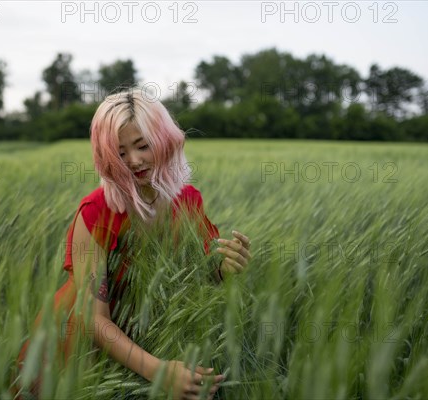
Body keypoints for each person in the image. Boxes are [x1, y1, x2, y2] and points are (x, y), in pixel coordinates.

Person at [14, 88, 252, 400]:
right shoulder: (96, 213)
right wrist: (160, 372)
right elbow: (92, 319)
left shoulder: (188, 201)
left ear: (165, 141)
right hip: (80, 351)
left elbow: (201, 276)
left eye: (143, 146)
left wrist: (227, 267)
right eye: (120, 152)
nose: (134, 161)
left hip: (152, 338)